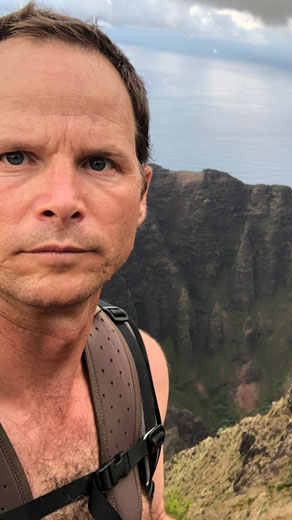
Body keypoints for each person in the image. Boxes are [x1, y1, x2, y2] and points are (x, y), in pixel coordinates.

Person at [0, 3, 170, 519]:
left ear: (141, 196)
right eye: (14, 157)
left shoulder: (141, 365)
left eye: (99, 162)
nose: (62, 198)